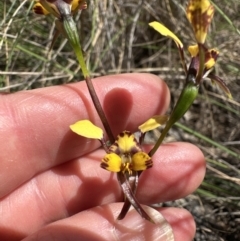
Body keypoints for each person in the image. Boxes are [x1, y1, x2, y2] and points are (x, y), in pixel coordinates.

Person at [0, 73, 205, 241]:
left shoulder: (131, 151)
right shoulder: (111, 147)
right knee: (131, 205)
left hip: (129, 163)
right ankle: (130, 216)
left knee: (131, 203)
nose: (126, 155)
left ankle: (130, 214)